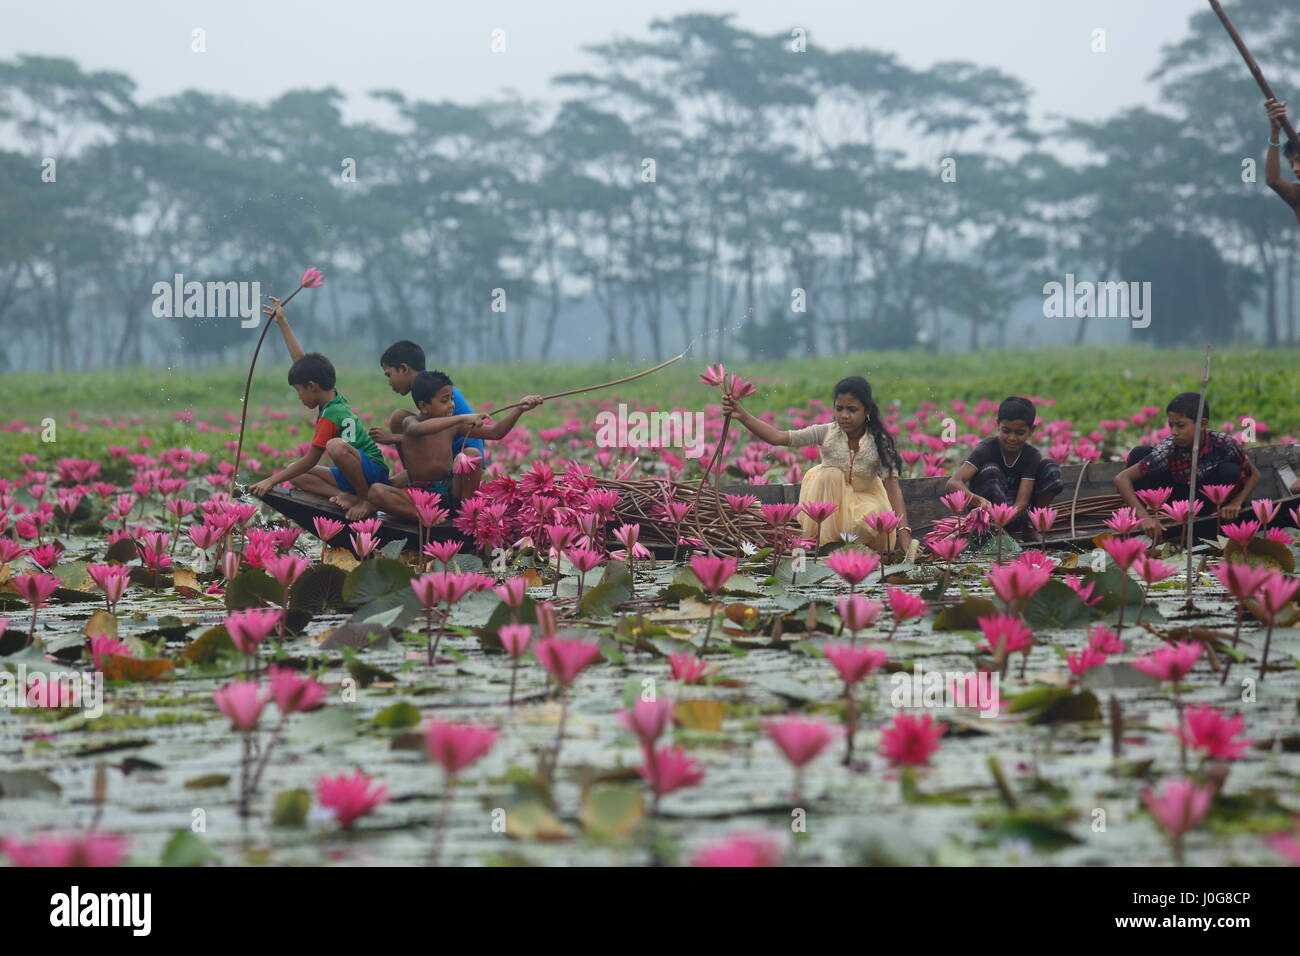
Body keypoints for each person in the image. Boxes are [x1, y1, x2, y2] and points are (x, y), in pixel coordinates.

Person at [721, 375, 913, 555]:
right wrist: (742, 414)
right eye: (839, 408)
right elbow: (777, 437)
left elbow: (892, 486)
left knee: (870, 521)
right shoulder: (825, 432)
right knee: (831, 474)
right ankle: (825, 548)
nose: (844, 415)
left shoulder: (880, 441)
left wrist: (904, 531)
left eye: (852, 410)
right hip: (829, 505)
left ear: (867, 411)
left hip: (866, 505)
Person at [367, 370, 542, 519]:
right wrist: (463, 417)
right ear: (423, 406)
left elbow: (496, 432)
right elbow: (419, 429)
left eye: (451, 398)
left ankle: (465, 514)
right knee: (376, 492)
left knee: (472, 453)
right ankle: (426, 518)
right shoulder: (410, 422)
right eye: (444, 400)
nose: (451, 405)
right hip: (418, 496)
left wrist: (519, 409)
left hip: (450, 492)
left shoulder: (452, 425)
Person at [247, 345, 389, 520]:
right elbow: (302, 364)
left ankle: (365, 499)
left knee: (334, 446)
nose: (299, 396)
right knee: (294, 473)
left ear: (312, 386)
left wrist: (270, 480)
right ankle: (346, 495)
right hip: (351, 474)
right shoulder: (333, 396)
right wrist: (282, 322)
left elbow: (310, 460)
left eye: (299, 390)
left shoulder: (330, 415)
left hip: (373, 470)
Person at [1114, 392, 1258, 538]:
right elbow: (1121, 479)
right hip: (1176, 502)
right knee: (1140, 453)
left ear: (1202, 424)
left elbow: (1254, 474)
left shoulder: (1224, 443)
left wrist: (1236, 502)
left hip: (1208, 503)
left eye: (1180, 425)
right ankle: (1139, 524)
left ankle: (1222, 522)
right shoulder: (1169, 448)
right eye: (1171, 425)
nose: (1174, 432)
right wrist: (1144, 516)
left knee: (1231, 471)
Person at [374, 340, 486, 500]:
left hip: (459, 463)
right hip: (440, 456)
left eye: (389, 374)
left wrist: (394, 438)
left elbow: (435, 433)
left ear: (404, 369)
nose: (389, 382)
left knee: (399, 418)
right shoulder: (429, 385)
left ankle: (421, 484)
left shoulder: (435, 389)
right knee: (388, 485)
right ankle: (416, 478)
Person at [945, 396, 1063, 538]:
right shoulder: (987, 448)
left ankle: (1035, 524)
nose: (1012, 438)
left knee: (1051, 467)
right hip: (984, 517)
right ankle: (989, 532)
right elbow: (953, 483)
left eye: (1019, 433)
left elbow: (1022, 502)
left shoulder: (1031, 456)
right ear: (997, 425)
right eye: (1006, 431)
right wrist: (978, 500)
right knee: (992, 471)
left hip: (1015, 516)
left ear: (1032, 430)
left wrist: (1003, 520)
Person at [1264, 98, 1300, 225]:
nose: (1295, 168)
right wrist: (1275, 130)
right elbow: (1273, 181)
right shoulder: (1298, 195)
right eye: (1291, 164)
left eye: (1299, 160)